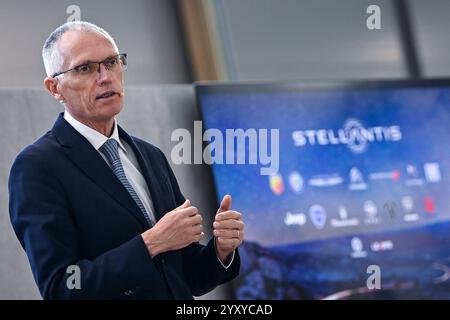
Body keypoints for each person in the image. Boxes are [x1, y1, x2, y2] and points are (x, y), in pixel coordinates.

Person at [8, 21, 244, 300]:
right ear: (54, 88)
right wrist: (150, 244)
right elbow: (61, 288)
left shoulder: (150, 156)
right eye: (85, 68)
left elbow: (185, 278)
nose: (105, 77)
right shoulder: (37, 167)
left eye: (111, 62)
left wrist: (220, 250)